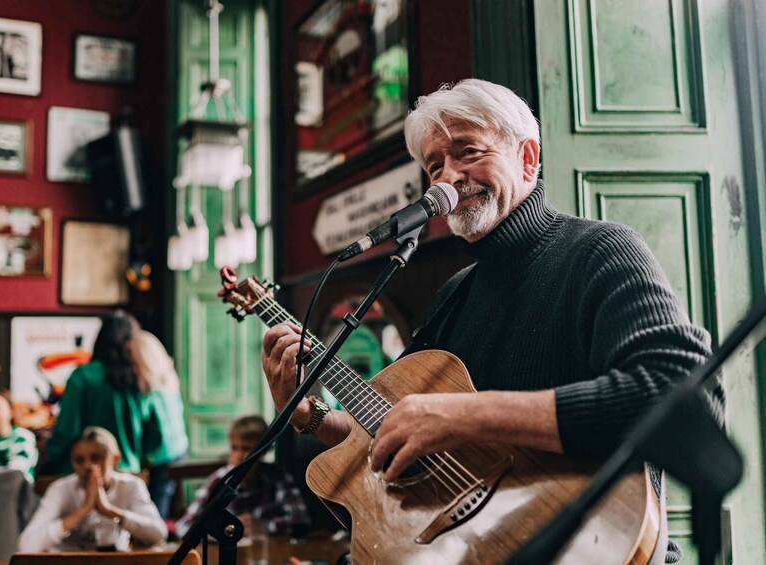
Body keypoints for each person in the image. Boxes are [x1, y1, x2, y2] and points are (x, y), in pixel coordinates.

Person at [260, 79, 714, 564]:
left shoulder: (600, 251)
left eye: (468, 152)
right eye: (434, 165)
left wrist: (463, 417)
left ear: (527, 159)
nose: (447, 178)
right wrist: (307, 414)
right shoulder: (456, 294)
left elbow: (687, 400)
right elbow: (395, 428)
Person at [43, 310, 161, 475]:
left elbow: (67, 431)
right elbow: (156, 435)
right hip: (130, 473)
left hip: (84, 475)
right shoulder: (142, 378)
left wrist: (49, 454)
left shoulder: (82, 376)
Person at [18, 426, 166, 552]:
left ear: (115, 459)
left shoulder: (130, 485)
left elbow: (159, 534)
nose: (87, 466)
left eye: (96, 458)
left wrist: (109, 510)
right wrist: (83, 510)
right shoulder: (61, 489)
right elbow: (26, 545)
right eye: (79, 460)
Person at [175, 414, 309, 539]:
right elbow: (183, 526)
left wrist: (265, 526)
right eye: (234, 448)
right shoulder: (218, 481)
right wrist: (228, 530)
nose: (238, 456)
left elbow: (301, 522)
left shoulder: (277, 477)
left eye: (246, 449)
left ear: (264, 450)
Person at [129, 329, 189, 519]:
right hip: (179, 450)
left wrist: (142, 458)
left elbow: (157, 434)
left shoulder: (148, 391)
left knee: (154, 512)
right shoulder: (169, 380)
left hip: (161, 457)